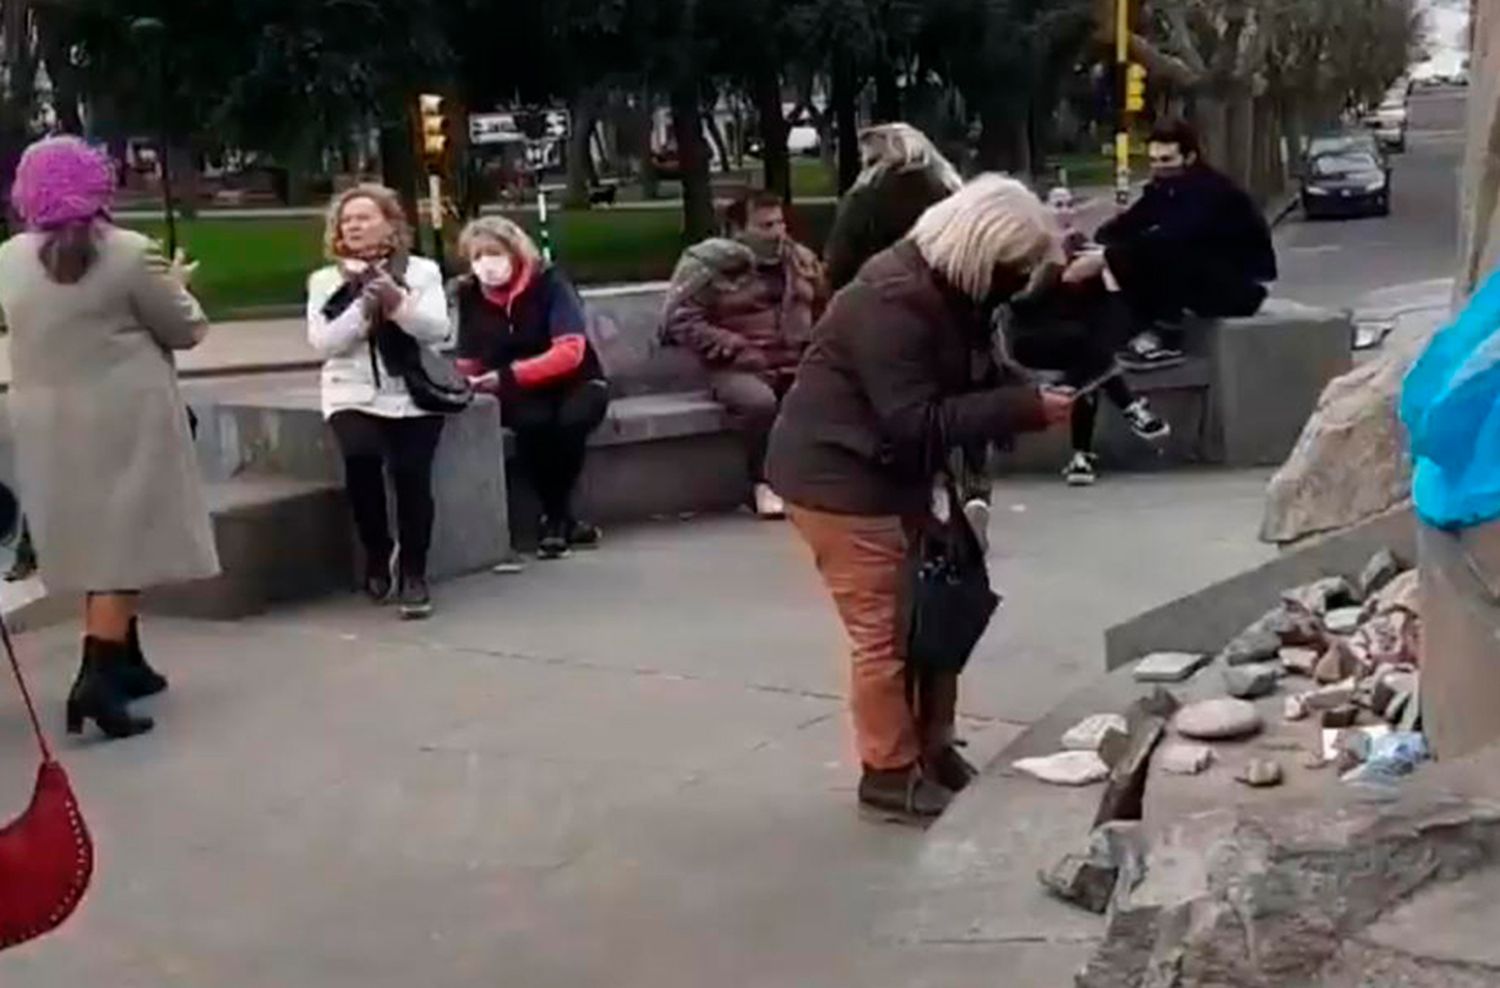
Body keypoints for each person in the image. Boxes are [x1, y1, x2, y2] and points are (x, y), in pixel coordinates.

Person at [766, 175, 1072, 818]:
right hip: (839, 480)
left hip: (891, 474)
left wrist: (1025, 390)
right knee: (887, 633)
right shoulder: (892, 301)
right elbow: (912, 417)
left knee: (938, 614)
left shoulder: (949, 291)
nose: (1017, 285)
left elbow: (966, 378)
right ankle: (888, 770)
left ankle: (931, 748)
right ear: (982, 253)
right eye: (1014, 271)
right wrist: (1022, 409)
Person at [0, 136, 214, 740]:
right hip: (127, 419)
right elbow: (186, 329)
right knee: (123, 543)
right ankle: (97, 679)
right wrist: (177, 283)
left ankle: (127, 660)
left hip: (45, 422)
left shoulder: (8, 257)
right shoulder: (129, 252)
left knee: (100, 538)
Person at [307, 184, 452, 620]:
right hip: (351, 391)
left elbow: (436, 329)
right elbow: (323, 342)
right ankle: (376, 552)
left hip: (411, 391)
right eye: (347, 220)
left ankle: (414, 571)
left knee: (412, 475)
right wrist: (360, 310)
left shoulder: (422, 272)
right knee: (361, 458)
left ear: (390, 223)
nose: (354, 226)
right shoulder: (326, 281)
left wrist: (396, 302)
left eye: (364, 217)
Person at [661, 190, 828, 519]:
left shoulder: (800, 261)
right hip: (737, 364)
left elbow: (826, 307)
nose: (778, 233)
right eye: (766, 226)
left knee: (829, 396)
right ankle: (763, 483)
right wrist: (735, 347)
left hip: (796, 358)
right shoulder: (708, 266)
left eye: (780, 223)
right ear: (737, 230)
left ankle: (817, 482)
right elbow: (681, 320)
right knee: (758, 403)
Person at [451, 217, 609, 560]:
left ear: (515, 252)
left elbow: (570, 350)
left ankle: (555, 517)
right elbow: (469, 356)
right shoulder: (469, 294)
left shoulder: (550, 283)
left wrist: (508, 375)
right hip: (515, 390)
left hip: (575, 379)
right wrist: (469, 382)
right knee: (533, 425)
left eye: (493, 254)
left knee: (570, 421)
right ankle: (561, 519)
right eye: (477, 257)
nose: (486, 265)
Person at [1005, 186, 1170, 487]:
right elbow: (1021, 304)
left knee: (1088, 357)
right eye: (1057, 204)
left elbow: (1111, 307)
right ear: (1043, 209)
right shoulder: (1028, 248)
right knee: (1091, 351)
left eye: (1069, 205)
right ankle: (1130, 407)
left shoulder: (1083, 248)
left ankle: (1081, 456)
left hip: (1077, 343)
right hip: (1031, 339)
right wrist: (1054, 270)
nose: (1065, 211)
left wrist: (1106, 274)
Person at [1087, 119, 1278, 370]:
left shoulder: (1210, 191)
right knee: (1133, 251)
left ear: (1189, 158)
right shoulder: (1163, 189)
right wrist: (1101, 246)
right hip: (1208, 273)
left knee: (1159, 249)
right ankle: (1133, 328)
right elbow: (1123, 226)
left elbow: (1178, 236)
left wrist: (1108, 255)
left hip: (1242, 286)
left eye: (1167, 160)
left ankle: (1167, 335)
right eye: (1153, 161)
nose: (1159, 168)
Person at [823, 123, 962, 291]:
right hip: (944, 300)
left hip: (877, 298)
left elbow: (839, 262)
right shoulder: (953, 195)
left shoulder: (865, 198)